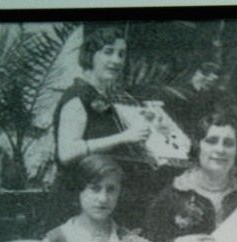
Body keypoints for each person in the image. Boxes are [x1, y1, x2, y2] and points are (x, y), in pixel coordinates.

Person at [52, 26, 166, 229]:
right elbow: (67, 152)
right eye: (108, 52)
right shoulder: (77, 96)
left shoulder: (107, 99)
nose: (116, 60)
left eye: (121, 54)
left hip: (103, 201)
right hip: (76, 201)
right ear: (90, 56)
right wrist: (124, 137)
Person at [144, 112, 237, 242]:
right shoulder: (172, 195)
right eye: (212, 141)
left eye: (229, 143)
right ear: (198, 145)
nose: (220, 150)